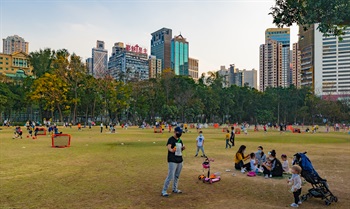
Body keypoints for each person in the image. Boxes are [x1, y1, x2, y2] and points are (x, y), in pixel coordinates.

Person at [161, 127, 186, 197]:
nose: (180, 134)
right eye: (179, 132)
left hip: (179, 159)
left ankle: (175, 188)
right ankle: (164, 190)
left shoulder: (180, 140)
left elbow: (180, 149)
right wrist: (171, 150)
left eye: (181, 133)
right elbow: (169, 147)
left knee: (177, 176)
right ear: (175, 132)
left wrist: (183, 148)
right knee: (170, 176)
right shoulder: (171, 139)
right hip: (172, 160)